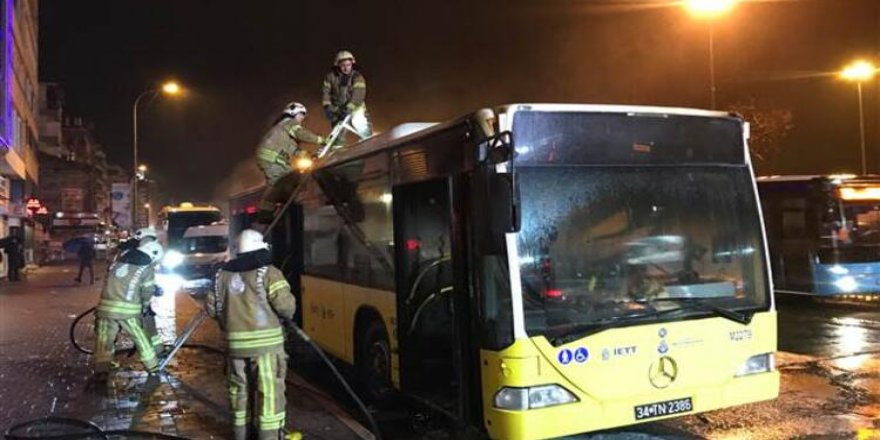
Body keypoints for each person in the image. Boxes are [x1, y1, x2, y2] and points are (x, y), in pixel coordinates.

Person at [207, 229, 298, 440]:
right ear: (260, 249)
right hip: (266, 348)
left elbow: (211, 309)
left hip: (234, 347)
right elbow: (286, 308)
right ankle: (269, 436)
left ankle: (241, 434)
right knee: (269, 392)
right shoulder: (270, 273)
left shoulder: (221, 275)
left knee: (238, 390)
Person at [93, 241, 164, 378]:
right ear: (153, 255)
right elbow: (147, 290)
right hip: (128, 311)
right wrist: (144, 305)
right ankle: (153, 367)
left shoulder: (117, 262)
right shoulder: (146, 268)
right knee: (140, 338)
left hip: (105, 308)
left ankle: (101, 369)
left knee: (104, 339)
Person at [255, 102, 325, 223]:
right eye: (301, 114)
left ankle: (284, 200)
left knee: (290, 178)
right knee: (278, 182)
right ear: (293, 113)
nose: (303, 117)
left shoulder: (283, 130)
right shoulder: (289, 122)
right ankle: (265, 213)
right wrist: (320, 140)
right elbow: (301, 133)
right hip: (272, 159)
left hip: (275, 159)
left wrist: (306, 154)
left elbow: (294, 150)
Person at [322, 50, 373, 146]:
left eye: (348, 65)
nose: (346, 68)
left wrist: (348, 109)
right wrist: (327, 107)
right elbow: (326, 93)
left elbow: (358, 95)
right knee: (337, 133)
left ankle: (369, 144)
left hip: (355, 108)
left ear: (352, 64)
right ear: (338, 65)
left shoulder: (357, 77)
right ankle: (339, 154)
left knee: (359, 123)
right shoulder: (330, 77)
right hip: (337, 108)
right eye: (343, 65)